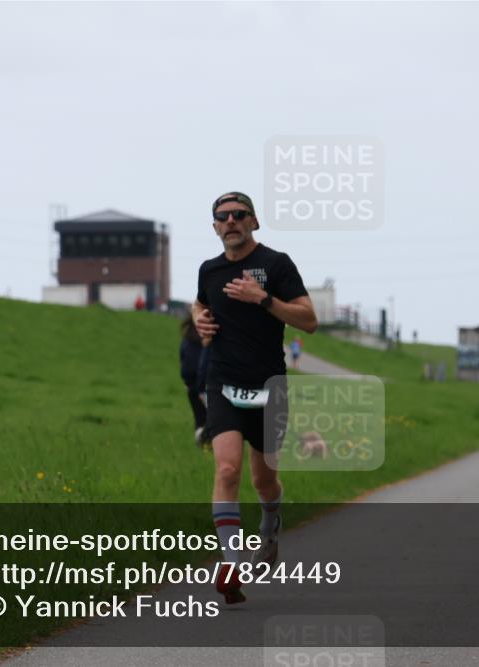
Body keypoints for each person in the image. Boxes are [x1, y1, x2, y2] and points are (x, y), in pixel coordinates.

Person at [192, 191, 318, 604]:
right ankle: (231, 562)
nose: (231, 221)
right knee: (227, 470)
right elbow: (201, 302)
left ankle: (271, 519)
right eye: (222, 217)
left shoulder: (276, 264)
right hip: (223, 381)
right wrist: (198, 317)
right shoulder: (208, 270)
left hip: (268, 386)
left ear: (254, 222)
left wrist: (263, 299)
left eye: (239, 215)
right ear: (215, 227)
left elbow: (309, 320)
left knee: (263, 479)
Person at [179, 313, 209, 445]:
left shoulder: (186, 339)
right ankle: (208, 441)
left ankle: (202, 441)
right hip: (205, 385)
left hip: (191, 386)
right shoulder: (207, 338)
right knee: (213, 417)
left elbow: (182, 360)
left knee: (199, 417)